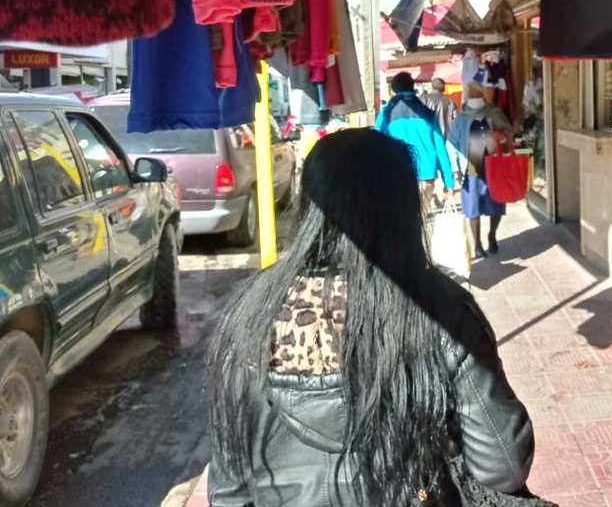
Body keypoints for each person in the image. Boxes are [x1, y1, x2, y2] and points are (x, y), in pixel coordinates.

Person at [206, 129, 535, 506]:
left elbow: (228, 491)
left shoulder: (249, 315)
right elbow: (503, 467)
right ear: (403, 209)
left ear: (309, 204)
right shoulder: (441, 311)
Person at [449, 82, 513, 258]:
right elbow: (452, 144)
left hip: (494, 165)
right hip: (470, 167)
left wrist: (498, 134)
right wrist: (456, 168)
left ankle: (491, 235)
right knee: (473, 207)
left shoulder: (494, 113)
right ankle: (477, 244)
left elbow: (508, 133)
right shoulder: (461, 118)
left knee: (496, 203)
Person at [375, 72, 454, 207]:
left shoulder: (385, 115)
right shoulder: (427, 114)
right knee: (421, 216)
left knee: (401, 216)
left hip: (397, 175)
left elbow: (376, 147)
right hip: (426, 175)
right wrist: (448, 182)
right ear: (412, 87)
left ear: (393, 90)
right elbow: (440, 148)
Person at [422, 77, 461, 182]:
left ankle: (430, 186)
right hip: (445, 137)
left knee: (429, 165)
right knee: (446, 165)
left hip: (428, 137)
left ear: (432, 86)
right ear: (443, 88)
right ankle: (448, 186)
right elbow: (456, 121)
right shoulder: (450, 102)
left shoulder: (424, 99)